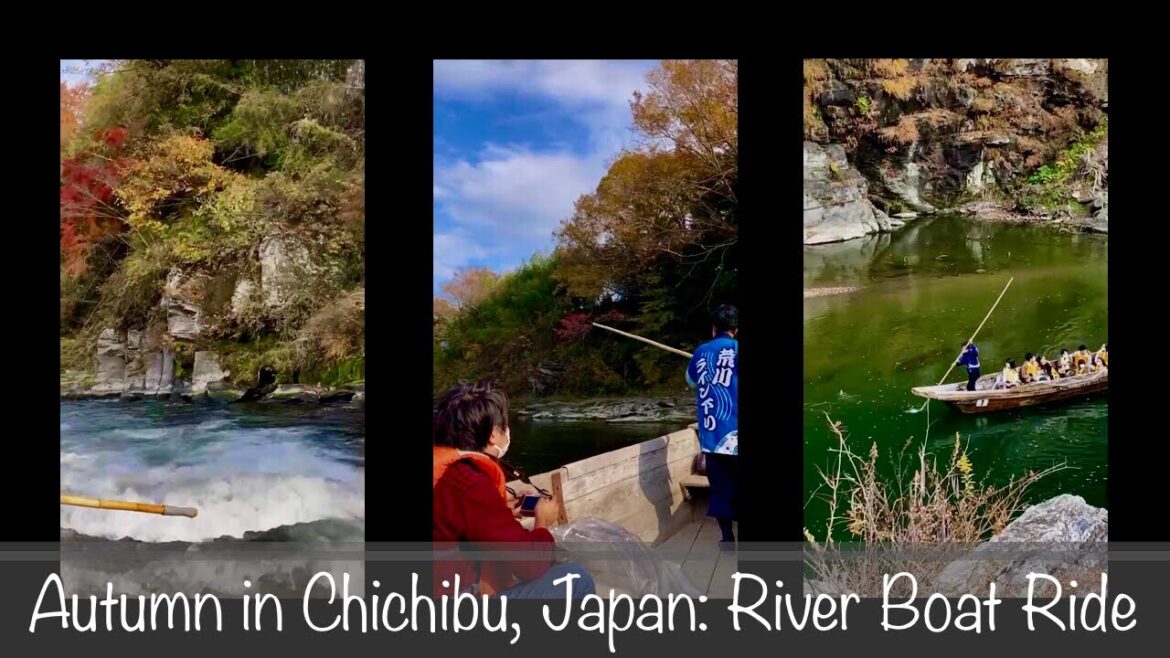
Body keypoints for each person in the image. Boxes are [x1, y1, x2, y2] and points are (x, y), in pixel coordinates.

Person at [433, 380, 595, 599]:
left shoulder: (448, 474)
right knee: (578, 579)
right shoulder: (472, 484)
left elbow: (464, 523)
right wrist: (542, 522)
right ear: (493, 434)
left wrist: (503, 511)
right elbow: (530, 566)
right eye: (505, 427)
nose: (507, 433)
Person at [686, 305, 739, 547]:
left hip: (713, 439)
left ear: (713, 328)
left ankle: (727, 539)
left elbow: (691, 382)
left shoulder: (700, 352)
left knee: (719, 490)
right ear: (735, 330)